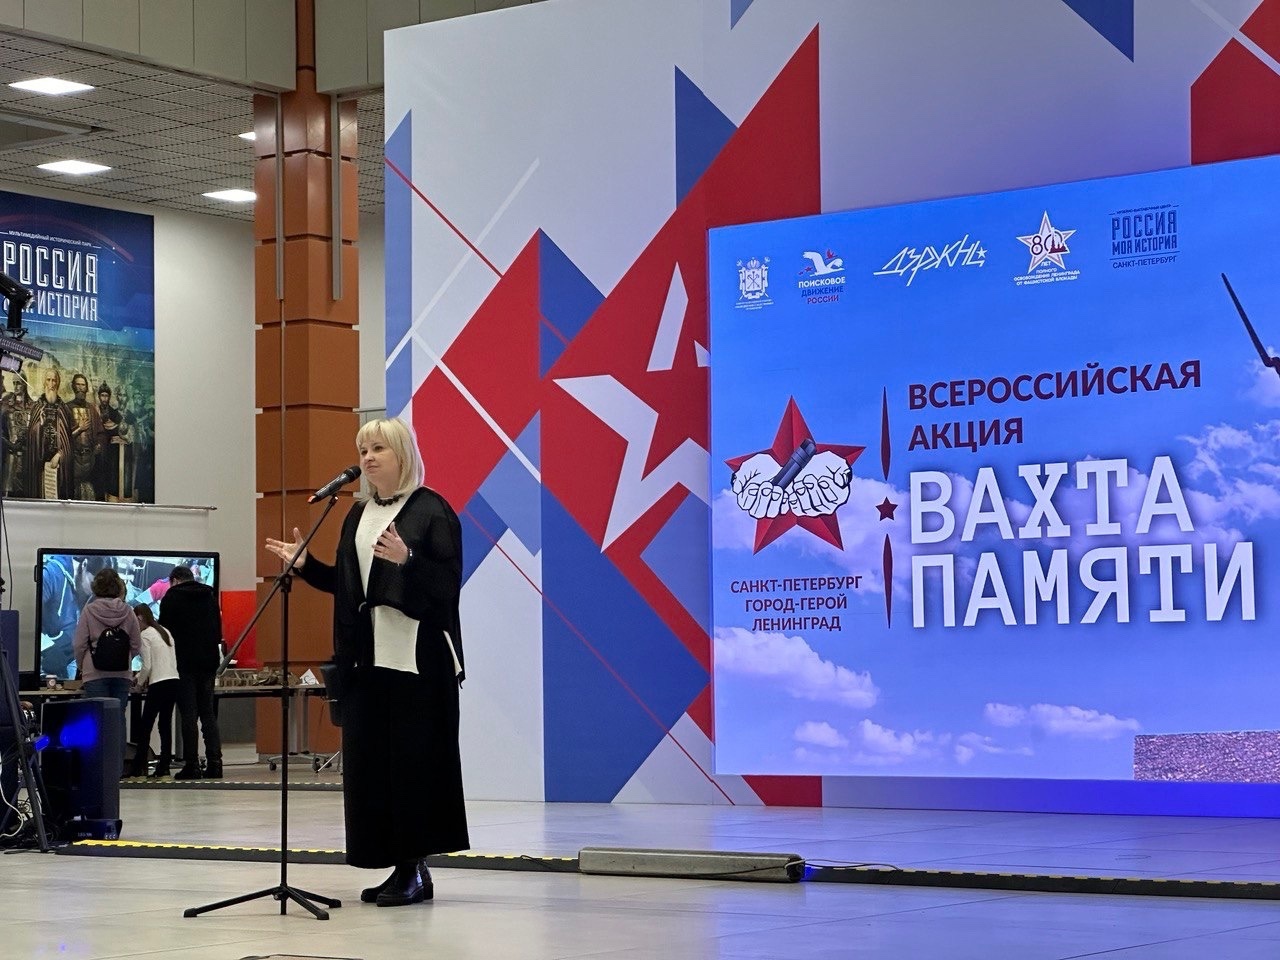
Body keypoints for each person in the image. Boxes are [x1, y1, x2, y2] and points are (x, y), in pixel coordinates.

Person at [265, 416, 469, 907]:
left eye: (378, 448)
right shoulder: (356, 514)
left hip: (417, 662)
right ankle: (395, 864)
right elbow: (348, 585)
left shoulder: (432, 510)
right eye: (363, 450)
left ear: (402, 454)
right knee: (373, 767)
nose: (368, 458)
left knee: (412, 767)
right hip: (366, 660)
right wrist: (307, 566)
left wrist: (408, 561)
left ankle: (414, 868)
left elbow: (447, 586)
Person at [71, 567, 142, 775]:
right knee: (118, 720)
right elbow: (136, 644)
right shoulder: (128, 611)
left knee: (96, 721)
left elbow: (79, 644)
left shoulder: (89, 611)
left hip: (94, 674)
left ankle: (96, 771)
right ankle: (116, 771)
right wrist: (125, 659)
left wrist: (83, 666)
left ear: (96, 587)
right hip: (122, 675)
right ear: (119, 586)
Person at [159, 564, 224, 779]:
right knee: (208, 713)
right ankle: (215, 763)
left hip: (184, 663)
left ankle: (192, 764)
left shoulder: (171, 597)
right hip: (208, 662)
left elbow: (165, 633)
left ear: (175, 580)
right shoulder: (209, 596)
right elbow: (218, 632)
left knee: (188, 714)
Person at [128, 604, 181, 778]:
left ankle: (138, 767)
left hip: (158, 683)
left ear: (140, 618)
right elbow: (164, 661)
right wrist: (141, 678)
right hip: (173, 680)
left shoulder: (145, 635)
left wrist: (138, 684)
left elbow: (148, 665)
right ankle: (164, 767)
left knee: (145, 726)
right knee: (165, 725)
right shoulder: (165, 632)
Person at [25, 366, 73, 499]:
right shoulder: (37, 407)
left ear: (58, 383)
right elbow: (30, 437)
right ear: (44, 382)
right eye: (48, 380)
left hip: (58, 464)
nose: (51, 384)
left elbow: (68, 440)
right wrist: (39, 425)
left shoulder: (64, 409)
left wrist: (60, 454)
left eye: (54, 380)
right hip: (40, 465)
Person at [68, 373, 107, 501]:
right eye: (78, 384)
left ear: (86, 388)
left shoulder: (91, 409)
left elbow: (101, 432)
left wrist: (99, 445)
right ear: (73, 387)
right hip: (73, 459)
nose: (80, 388)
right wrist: (79, 429)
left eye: (83, 385)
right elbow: (63, 436)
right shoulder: (67, 408)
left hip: (90, 459)